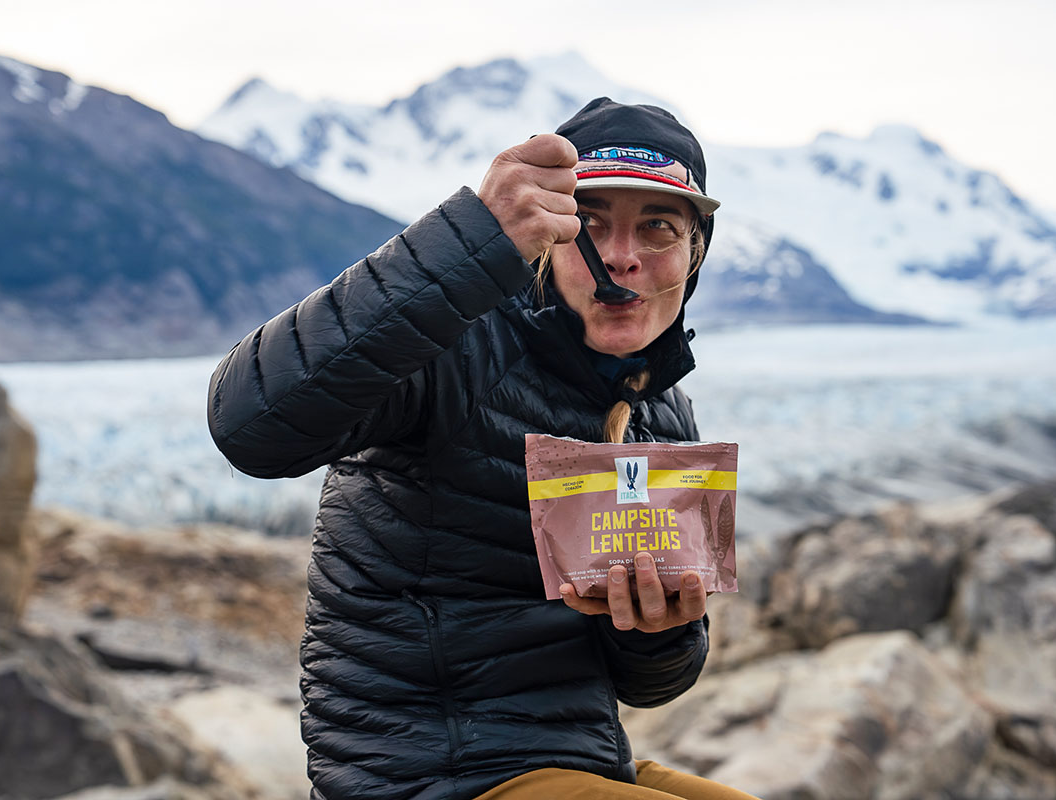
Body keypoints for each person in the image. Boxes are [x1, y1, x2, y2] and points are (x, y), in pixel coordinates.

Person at [207, 97, 760, 800]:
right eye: (589, 226)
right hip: (426, 775)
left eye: (657, 229)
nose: (622, 259)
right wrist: (473, 238)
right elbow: (249, 425)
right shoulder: (453, 345)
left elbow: (649, 687)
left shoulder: (660, 413)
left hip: (574, 763)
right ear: (546, 238)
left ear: (695, 252)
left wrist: (661, 632)